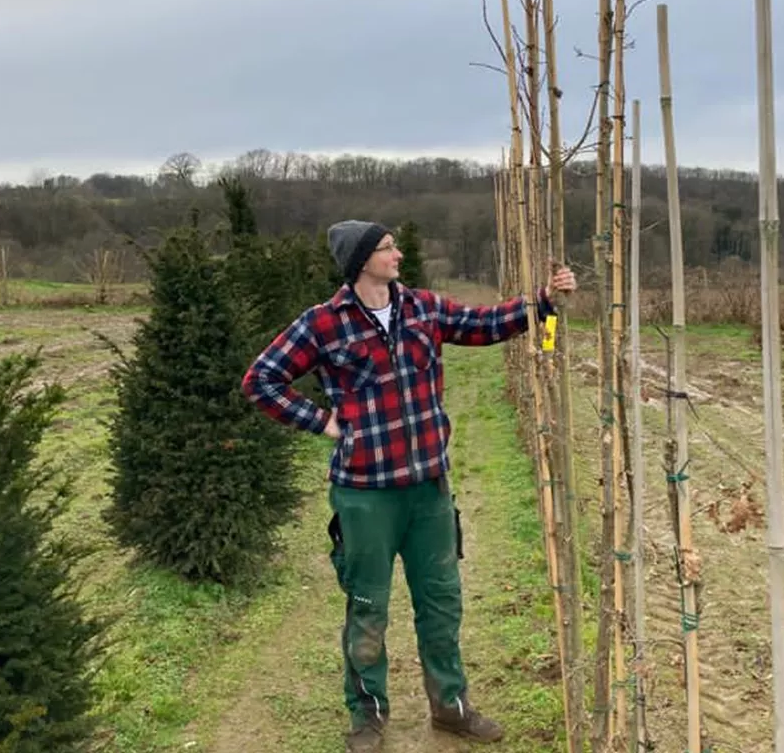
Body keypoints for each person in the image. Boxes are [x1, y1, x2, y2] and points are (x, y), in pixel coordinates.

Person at [242, 219, 577, 753]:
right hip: (365, 495)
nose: (397, 254)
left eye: (395, 245)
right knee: (368, 606)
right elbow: (260, 379)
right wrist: (321, 421)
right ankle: (368, 717)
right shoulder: (322, 325)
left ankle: (450, 705)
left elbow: (485, 323)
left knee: (441, 602)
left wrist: (541, 300)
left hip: (428, 489)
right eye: (387, 247)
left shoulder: (422, 308)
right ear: (359, 262)